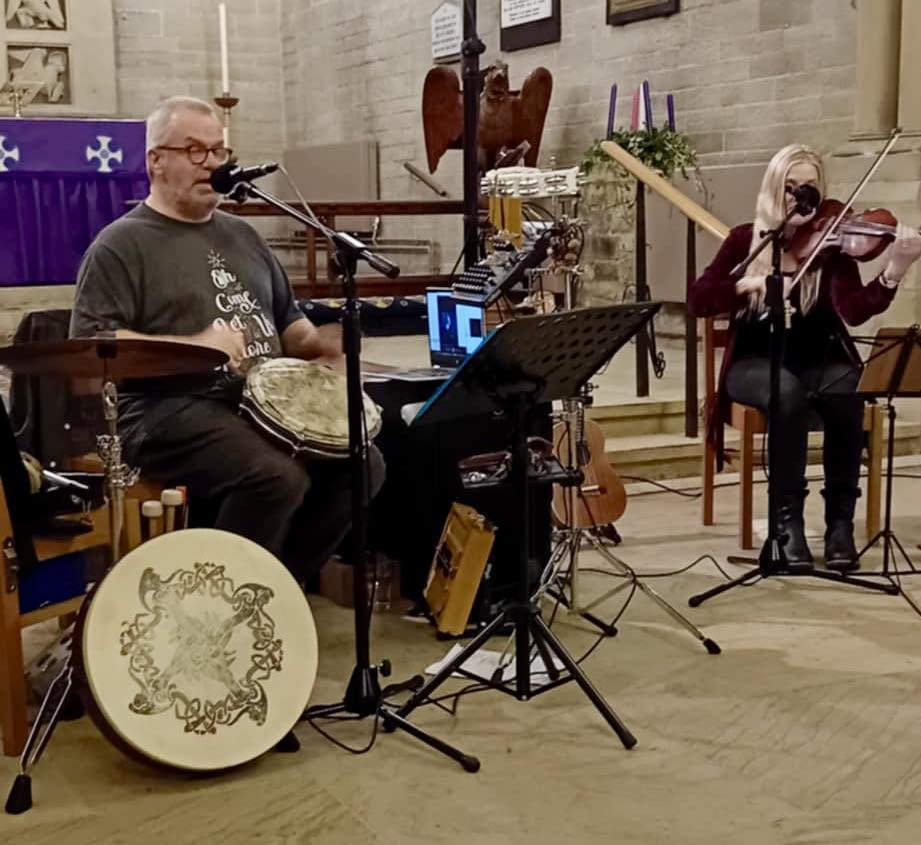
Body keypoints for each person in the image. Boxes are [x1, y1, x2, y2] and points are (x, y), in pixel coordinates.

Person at [70, 95, 384, 580]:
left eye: (218, 150)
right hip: (165, 409)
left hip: (256, 403)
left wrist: (323, 342)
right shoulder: (120, 244)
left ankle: (277, 583)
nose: (212, 163)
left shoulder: (245, 236)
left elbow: (290, 327)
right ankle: (223, 594)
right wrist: (196, 346)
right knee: (275, 476)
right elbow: (90, 353)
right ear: (155, 160)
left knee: (364, 464)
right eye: (194, 150)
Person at [689, 144, 921, 571]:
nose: (801, 197)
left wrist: (894, 271)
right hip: (754, 363)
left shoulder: (830, 247)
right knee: (787, 393)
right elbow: (699, 299)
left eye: (809, 187)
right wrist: (743, 286)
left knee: (848, 389)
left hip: (818, 359)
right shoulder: (745, 240)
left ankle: (839, 525)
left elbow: (854, 310)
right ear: (774, 189)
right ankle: (786, 524)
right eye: (790, 187)